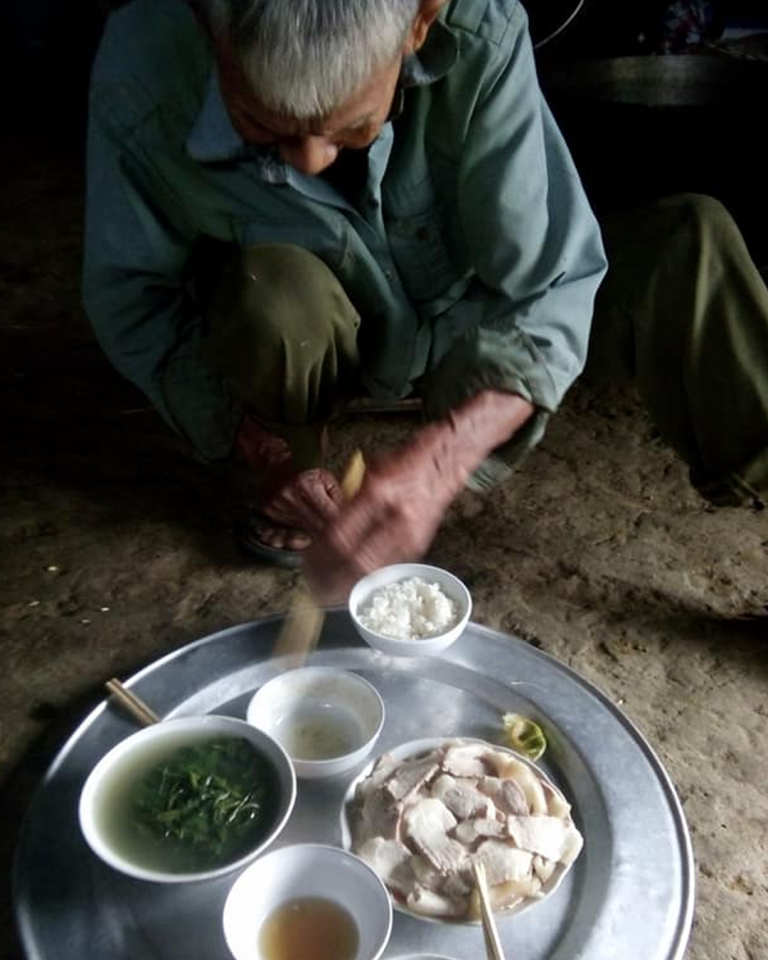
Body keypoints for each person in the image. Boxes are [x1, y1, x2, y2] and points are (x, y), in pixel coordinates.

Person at [83, 0, 768, 601]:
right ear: (212, 29)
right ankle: (294, 472)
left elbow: (552, 281)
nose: (312, 159)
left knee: (690, 243)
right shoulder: (146, 67)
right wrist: (250, 439)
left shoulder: (480, 28)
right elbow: (132, 297)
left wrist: (442, 461)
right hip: (318, 329)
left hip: (465, 317)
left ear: (420, 22)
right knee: (273, 294)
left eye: (351, 126)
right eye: (261, 124)